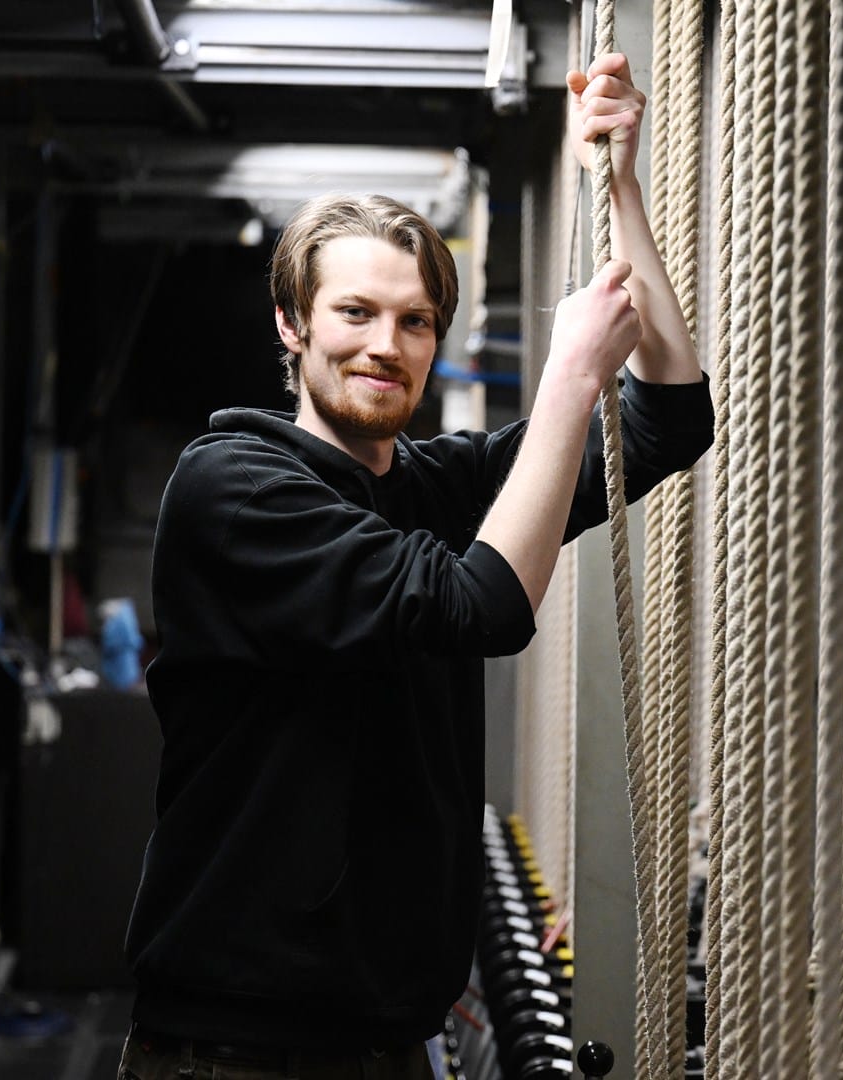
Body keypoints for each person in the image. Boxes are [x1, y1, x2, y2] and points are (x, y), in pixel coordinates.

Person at [118, 54, 712, 1080]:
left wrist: (618, 183)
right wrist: (571, 375)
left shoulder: (433, 485)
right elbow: (480, 606)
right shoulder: (234, 489)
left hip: (388, 1040)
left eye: (414, 321)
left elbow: (670, 417)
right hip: (239, 1049)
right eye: (353, 313)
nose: (384, 345)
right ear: (291, 324)